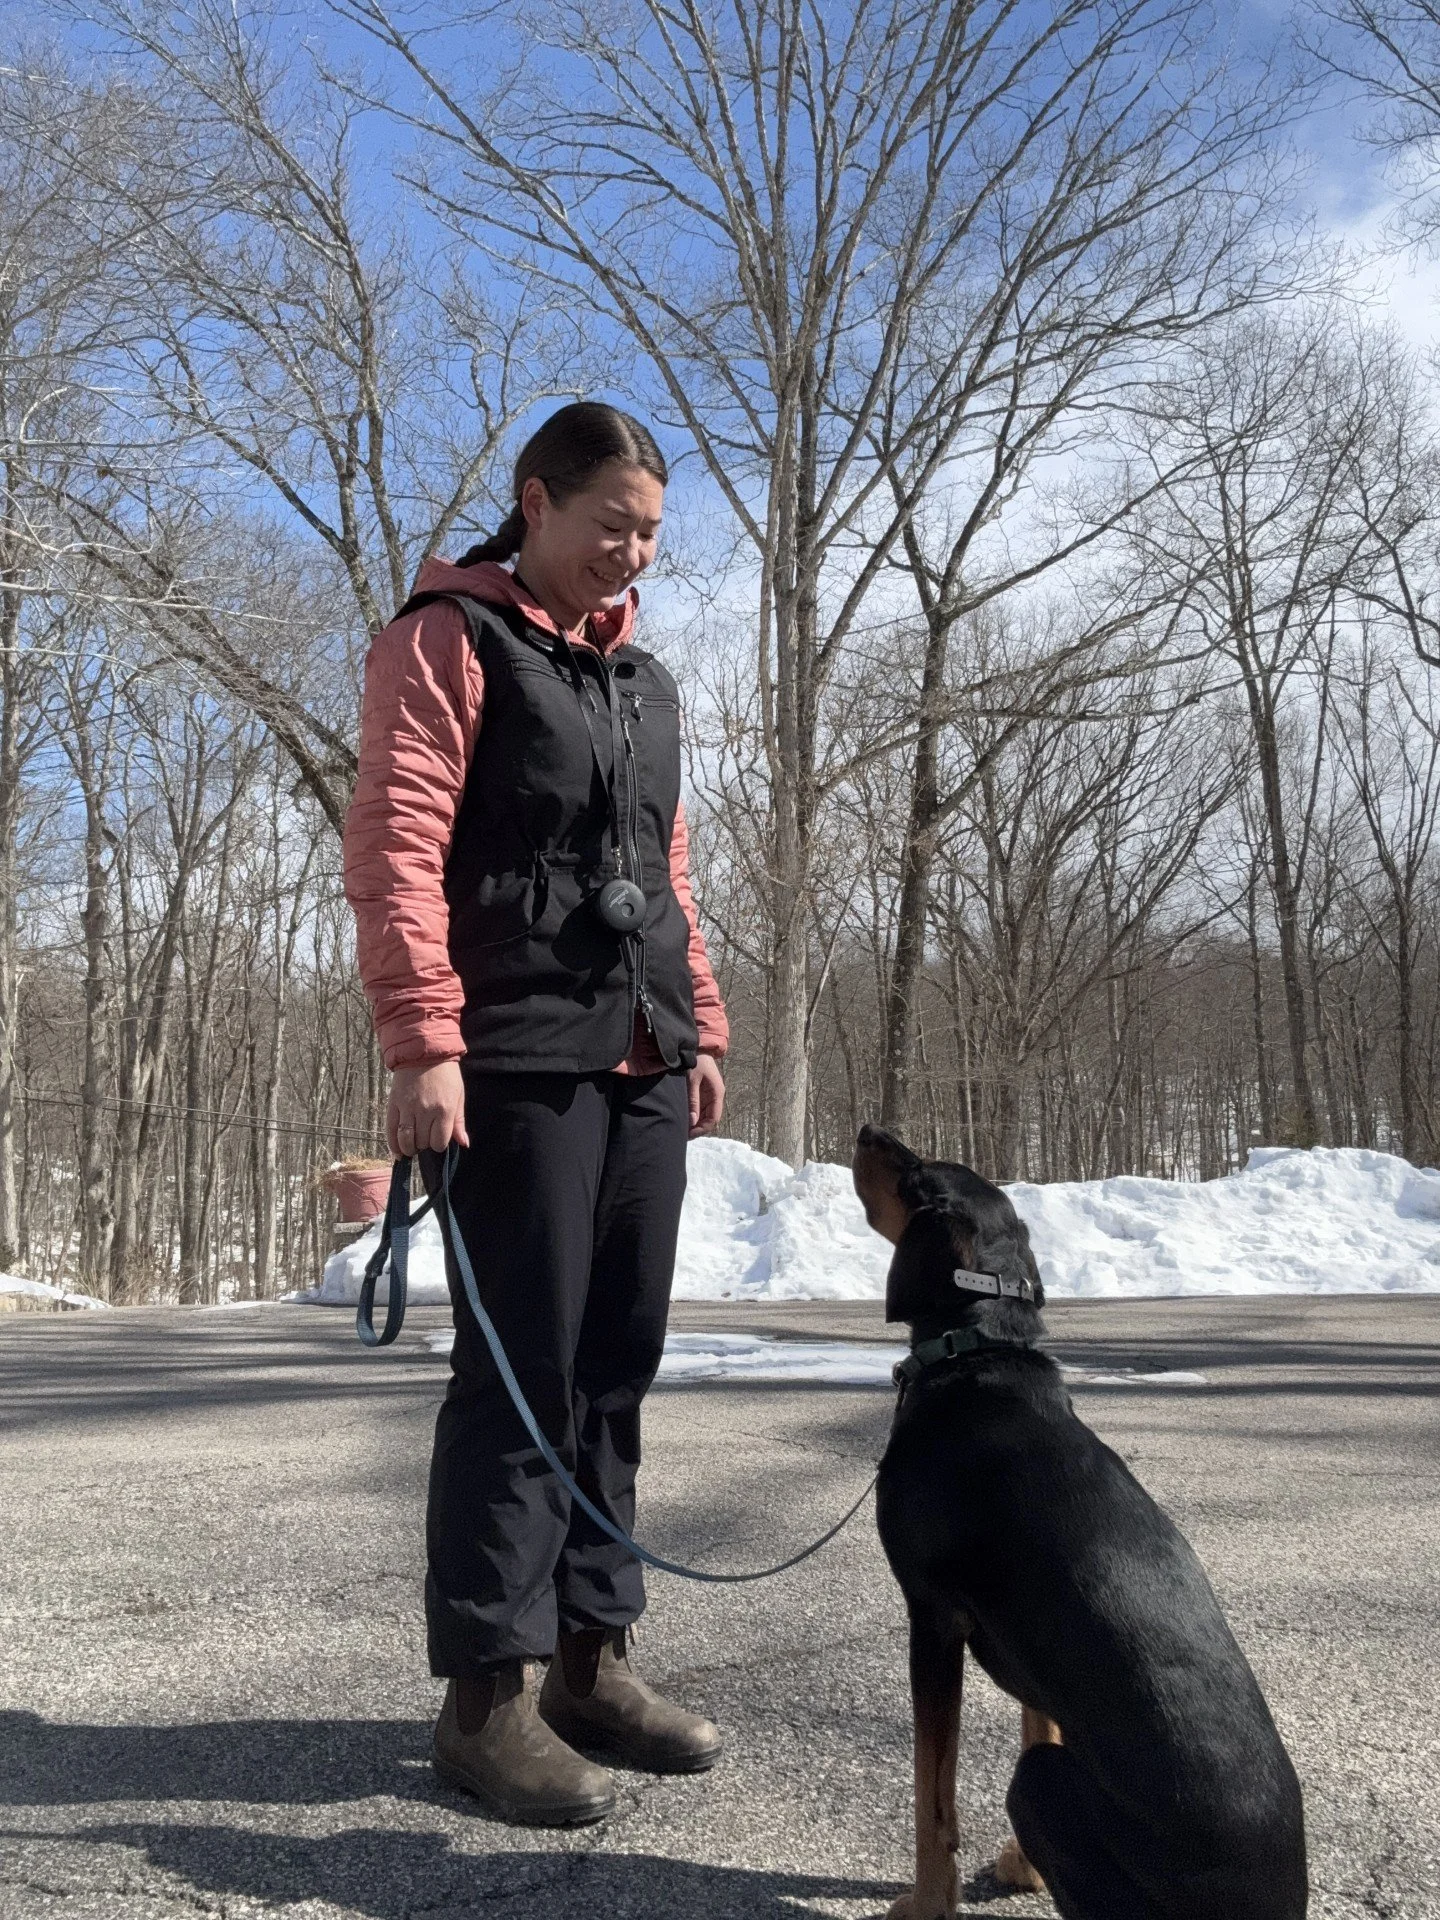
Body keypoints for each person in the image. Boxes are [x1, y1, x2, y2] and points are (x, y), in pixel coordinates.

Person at [343, 402, 729, 1828]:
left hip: (641, 1055)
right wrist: (421, 1041)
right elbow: (396, 839)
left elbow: (667, 870)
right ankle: (485, 1700)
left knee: (616, 1360)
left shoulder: (643, 682)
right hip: (509, 1056)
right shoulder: (449, 639)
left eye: (652, 536)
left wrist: (698, 1023)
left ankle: (590, 1658)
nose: (631, 554)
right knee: (522, 1376)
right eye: (611, 525)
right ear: (536, 501)